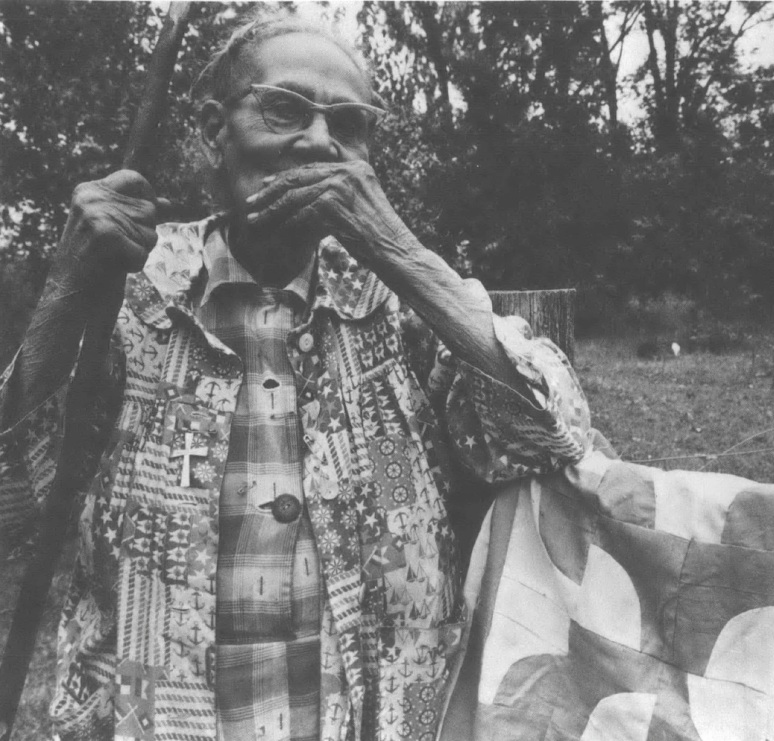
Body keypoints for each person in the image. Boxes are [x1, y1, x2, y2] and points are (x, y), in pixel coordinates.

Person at [0, 11, 590, 741]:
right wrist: (65, 288)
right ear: (216, 129)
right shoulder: (136, 293)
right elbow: (9, 502)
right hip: (151, 713)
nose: (319, 141)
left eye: (348, 123)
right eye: (285, 109)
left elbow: (548, 436)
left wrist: (395, 251)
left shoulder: (399, 302)